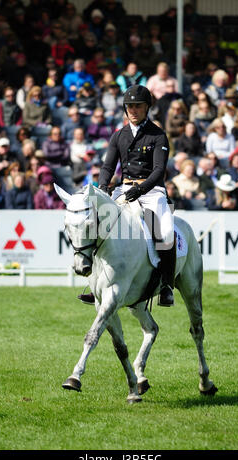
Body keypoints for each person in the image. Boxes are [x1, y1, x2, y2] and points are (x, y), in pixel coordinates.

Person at [80, 85, 176, 307]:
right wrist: (103, 186)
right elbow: (107, 167)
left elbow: (159, 171)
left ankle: (166, 286)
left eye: (138, 106)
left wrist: (140, 190)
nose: (133, 110)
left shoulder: (157, 135)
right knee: (98, 224)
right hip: (125, 190)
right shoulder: (118, 136)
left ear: (147, 108)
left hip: (152, 192)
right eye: (130, 106)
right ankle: (94, 283)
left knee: (166, 232)